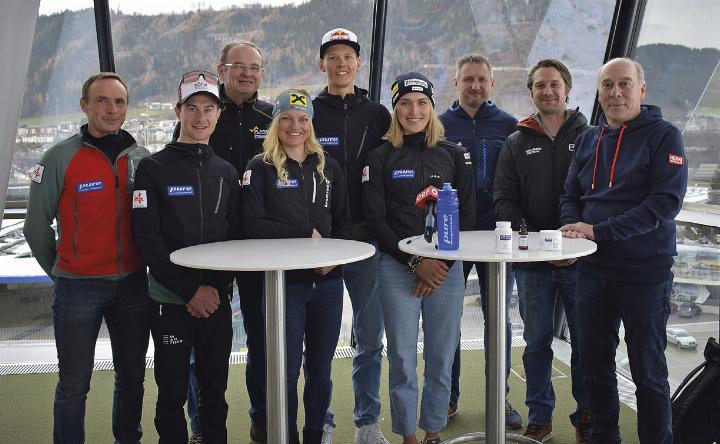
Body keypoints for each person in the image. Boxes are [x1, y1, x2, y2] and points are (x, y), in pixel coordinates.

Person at [560, 57, 687, 444]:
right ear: (598, 93)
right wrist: (571, 232)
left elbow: (663, 205)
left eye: (625, 84)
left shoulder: (664, 136)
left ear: (641, 90)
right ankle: (604, 437)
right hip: (592, 273)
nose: (616, 92)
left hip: (644, 275)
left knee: (648, 372)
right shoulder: (588, 140)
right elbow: (570, 195)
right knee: (594, 367)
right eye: (607, 85)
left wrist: (596, 231)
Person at [23, 72, 150, 444]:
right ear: (85, 105)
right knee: (74, 383)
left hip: (132, 286)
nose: (112, 109)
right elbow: (35, 228)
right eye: (102, 101)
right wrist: (63, 270)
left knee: (132, 377)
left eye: (119, 102)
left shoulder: (140, 158)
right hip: (78, 289)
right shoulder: (59, 158)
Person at [363, 72, 476, 444]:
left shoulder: (454, 154)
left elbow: (469, 219)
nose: (414, 111)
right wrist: (415, 264)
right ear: (395, 110)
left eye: (421, 103)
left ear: (432, 107)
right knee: (402, 358)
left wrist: (441, 268)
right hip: (397, 269)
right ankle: (408, 436)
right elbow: (375, 221)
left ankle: (432, 432)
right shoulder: (380, 157)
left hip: (446, 271)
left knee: (442, 357)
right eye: (405, 104)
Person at [133, 70, 241, 443]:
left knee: (215, 393)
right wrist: (189, 291)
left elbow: (235, 238)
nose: (200, 117)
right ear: (178, 110)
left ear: (218, 114)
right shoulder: (152, 168)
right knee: (172, 393)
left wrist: (213, 287)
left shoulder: (226, 172)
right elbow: (147, 240)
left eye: (208, 108)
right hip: (170, 300)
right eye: (192, 108)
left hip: (216, 301)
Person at [174, 40, 273, 444]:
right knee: (202, 345)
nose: (247, 73)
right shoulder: (203, 113)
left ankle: (264, 418)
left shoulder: (271, 116)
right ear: (222, 69)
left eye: (255, 67)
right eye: (239, 66)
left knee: (263, 340)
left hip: (257, 244)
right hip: (209, 245)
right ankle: (202, 426)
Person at [242, 88, 351, 444]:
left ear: (311, 124)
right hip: (283, 286)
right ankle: (283, 436)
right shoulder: (260, 167)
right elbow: (253, 226)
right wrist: (306, 235)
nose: (295, 126)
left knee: (320, 370)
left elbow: (344, 224)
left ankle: (315, 434)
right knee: (285, 372)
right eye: (286, 118)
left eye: (303, 119)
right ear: (275, 123)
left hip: (328, 284)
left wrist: (331, 257)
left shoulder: (328, 166)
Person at [493, 59, 591, 443]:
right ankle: (540, 416)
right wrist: (538, 244)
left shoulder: (590, 137)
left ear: (567, 88)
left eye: (554, 84)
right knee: (536, 342)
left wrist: (571, 244)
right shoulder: (516, 142)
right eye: (539, 86)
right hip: (532, 263)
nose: (547, 91)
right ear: (531, 92)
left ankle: (587, 417)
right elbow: (504, 200)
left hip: (580, 260)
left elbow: (599, 196)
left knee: (585, 342)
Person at [312, 27, 392, 444]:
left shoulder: (378, 114)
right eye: (333, 56)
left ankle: (367, 422)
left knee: (369, 335)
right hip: (319, 240)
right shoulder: (308, 111)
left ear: (359, 63)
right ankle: (321, 421)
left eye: (348, 56)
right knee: (321, 341)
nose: (341, 64)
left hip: (366, 237)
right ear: (321, 62)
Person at [437, 54, 521, 429]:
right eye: (468, 79)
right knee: (447, 319)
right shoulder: (438, 126)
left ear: (492, 83)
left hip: (496, 235)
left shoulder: (509, 126)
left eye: (481, 80)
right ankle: (447, 398)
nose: (475, 86)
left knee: (497, 320)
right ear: (456, 82)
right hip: (453, 236)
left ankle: (498, 399)